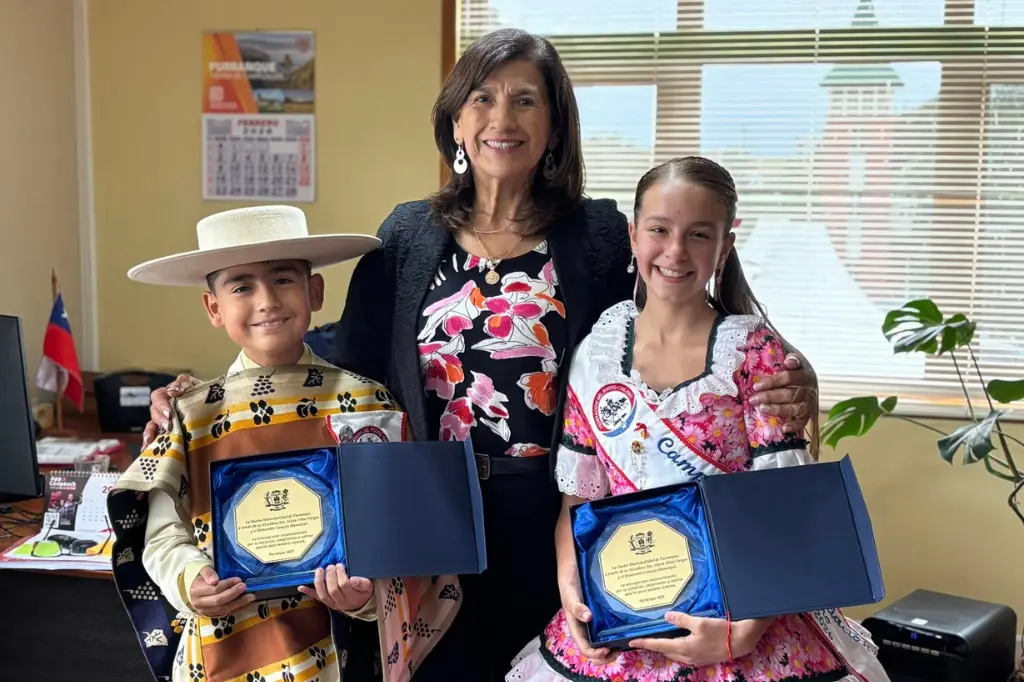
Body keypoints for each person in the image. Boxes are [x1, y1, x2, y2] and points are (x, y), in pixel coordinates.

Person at [142, 30, 818, 682]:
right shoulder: (408, 233)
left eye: (526, 100)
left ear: (554, 125)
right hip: (427, 514)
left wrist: (792, 375)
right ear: (457, 121)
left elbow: (674, 319)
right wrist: (208, 391)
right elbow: (347, 349)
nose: (503, 118)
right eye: (483, 98)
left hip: (555, 514)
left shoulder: (598, 235)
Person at [505, 156, 889, 682]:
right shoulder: (597, 353)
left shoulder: (753, 354)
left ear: (725, 246)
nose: (676, 251)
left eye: (699, 234)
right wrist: (573, 592)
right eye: (659, 230)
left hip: (744, 613)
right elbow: (579, 500)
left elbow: (783, 510)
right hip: (625, 613)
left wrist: (742, 634)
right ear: (633, 235)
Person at [106, 205, 452, 682]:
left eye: (284, 279)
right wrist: (190, 580)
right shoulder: (191, 414)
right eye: (241, 287)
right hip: (222, 650)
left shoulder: (366, 404)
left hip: (333, 655)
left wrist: (368, 596)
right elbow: (163, 534)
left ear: (315, 291)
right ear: (214, 308)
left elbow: (399, 534)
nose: (267, 301)